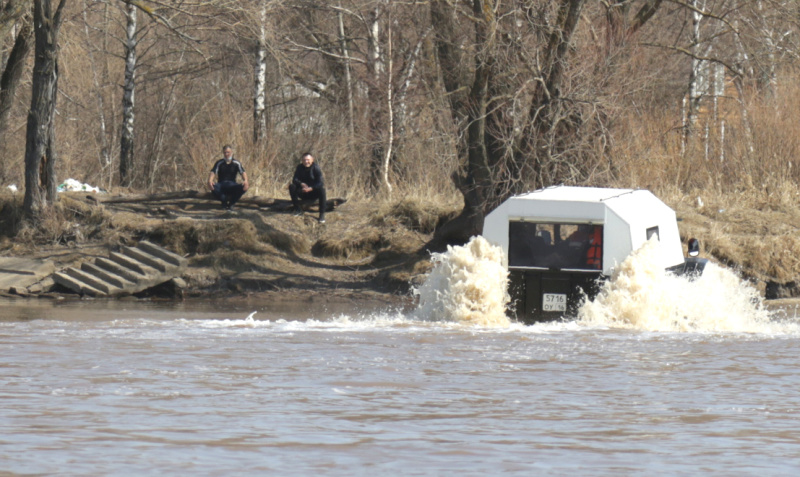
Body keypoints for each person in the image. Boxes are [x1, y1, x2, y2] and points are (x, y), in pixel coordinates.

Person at [288, 152, 327, 223]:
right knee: (292, 186)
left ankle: (322, 214)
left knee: (322, 190)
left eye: (308, 160)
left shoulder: (316, 168)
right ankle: (297, 209)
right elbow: (294, 179)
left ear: (312, 160)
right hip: (303, 192)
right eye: (304, 160)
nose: (306, 162)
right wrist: (301, 184)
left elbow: (320, 182)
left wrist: (311, 188)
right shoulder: (299, 167)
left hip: (313, 192)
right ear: (302, 160)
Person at [208, 145, 249, 211]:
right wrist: (210, 181)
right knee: (213, 187)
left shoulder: (236, 163)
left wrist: (245, 180)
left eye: (228, 152)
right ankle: (224, 202)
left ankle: (232, 203)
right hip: (221, 185)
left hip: (232, 185)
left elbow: (243, 172)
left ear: (231, 152)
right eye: (225, 152)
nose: (226, 154)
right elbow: (213, 172)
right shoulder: (219, 162)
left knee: (244, 187)